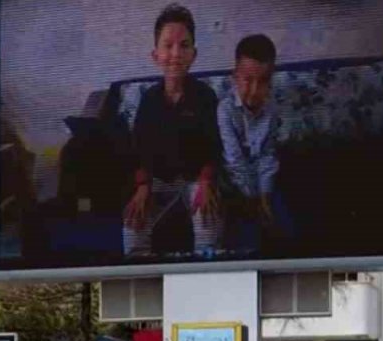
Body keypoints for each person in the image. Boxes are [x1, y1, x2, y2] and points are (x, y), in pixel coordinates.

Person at [122, 3, 222, 258]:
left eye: (184, 45)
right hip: (158, 183)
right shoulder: (149, 101)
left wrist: (206, 180)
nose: (176, 53)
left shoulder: (205, 97)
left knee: (208, 218)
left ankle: (207, 272)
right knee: (134, 222)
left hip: (195, 180)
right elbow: (138, 149)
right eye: (168, 45)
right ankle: (138, 275)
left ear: (194, 54)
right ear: (155, 55)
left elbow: (214, 147)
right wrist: (143, 185)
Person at [218, 33, 293, 254]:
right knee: (246, 237)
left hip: (261, 181)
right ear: (235, 77)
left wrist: (265, 196)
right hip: (231, 183)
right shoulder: (225, 110)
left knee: (285, 226)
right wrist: (252, 200)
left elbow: (268, 156)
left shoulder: (271, 111)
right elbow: (234, 160)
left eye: (262, 82)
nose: (253, 90)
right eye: (247, 80)